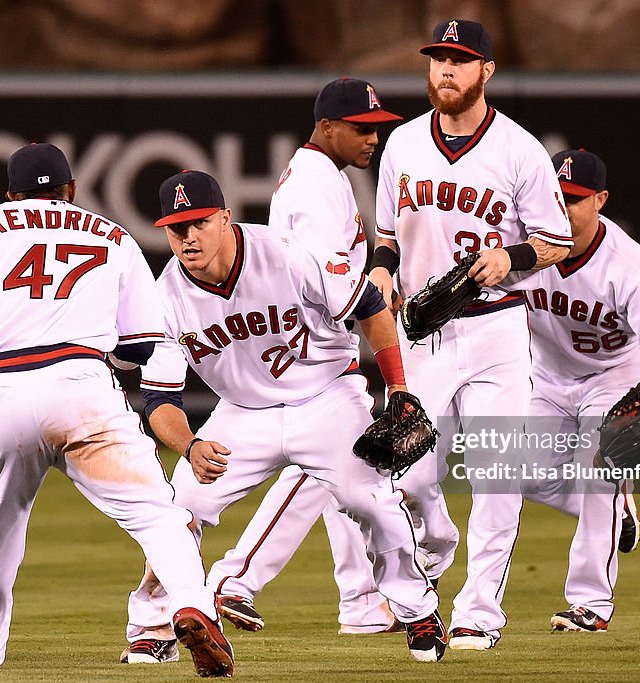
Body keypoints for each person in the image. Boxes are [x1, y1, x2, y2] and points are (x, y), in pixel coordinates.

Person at [0, 143, 234, 676]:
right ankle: (192, 603)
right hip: (83, 388)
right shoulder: (112, 235)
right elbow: (140, 347)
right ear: (71, 190)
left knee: (0, 527)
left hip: (5, 391)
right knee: (155, 513)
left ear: (10, 194)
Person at [124, 169, 449, 662]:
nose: (188, 237)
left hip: (327, 397)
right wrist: (189, 446)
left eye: (199, 223)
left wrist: (397, 385)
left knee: (372, 501)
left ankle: (417, 611)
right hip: (243, 413)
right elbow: (158, 400)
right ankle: (151, 628)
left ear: (225, 218)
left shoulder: (286, 252)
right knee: (175, 513)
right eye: (176, 227)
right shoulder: (164, 297)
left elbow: (369, 305)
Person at [368, 19, 574, 651]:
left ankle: (478, 614)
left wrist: (511, 259)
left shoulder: (519, 149)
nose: (446, 71)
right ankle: (431, 555)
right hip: (423, 333)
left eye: (460, 60)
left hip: (497, 334)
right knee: (412, 476)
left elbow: (558, 242)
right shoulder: (401, 144)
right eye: (437, 59)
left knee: (495, 478)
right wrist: (381, 273)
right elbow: (386, 239)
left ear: (486, 70)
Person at [206, 77, 407, 635]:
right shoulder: (317, 185)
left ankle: (362, 604)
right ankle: (233, 580)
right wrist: (373, 322)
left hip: (310, 345)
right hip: (315, 350)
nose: (373, 139)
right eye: (361, 128)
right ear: (325, 127)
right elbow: (328, 283)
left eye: (377, 128)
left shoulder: (320, 175)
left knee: (350, 473)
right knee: (329, 468)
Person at [523, 148, 640, 631]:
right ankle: (620, 511)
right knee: (520, 474)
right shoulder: (525, 247)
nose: (563, 207)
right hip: (547, 376)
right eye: (556, 196)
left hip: (614, 378)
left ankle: (591, 604)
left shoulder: (627, 261)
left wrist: (639, 399)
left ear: (600, 200)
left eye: (574, 198)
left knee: (600, 466)